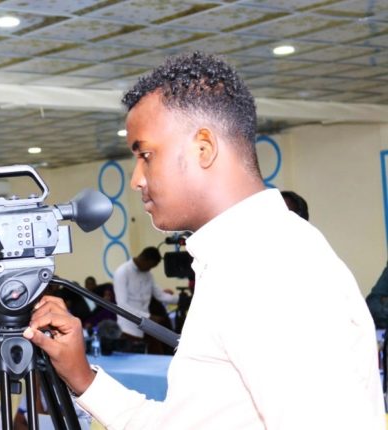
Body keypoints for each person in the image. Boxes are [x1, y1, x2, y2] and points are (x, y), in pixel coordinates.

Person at [22, 52, 383, 429]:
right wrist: (83, 377)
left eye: (146, 155)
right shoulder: (237, 259)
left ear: (203, 148)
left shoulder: (272, 266)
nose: (136, 180)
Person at [112, 247, 177, 353]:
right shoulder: (122, 272)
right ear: (144, 259)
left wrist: (181, 299)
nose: (150, 269)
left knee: (158, 356)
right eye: (150, 266)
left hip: (147, 326)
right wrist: (148, 317)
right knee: (133, 362)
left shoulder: (148, 274)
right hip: (129, 328)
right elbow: (122, 304)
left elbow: (160, 295)